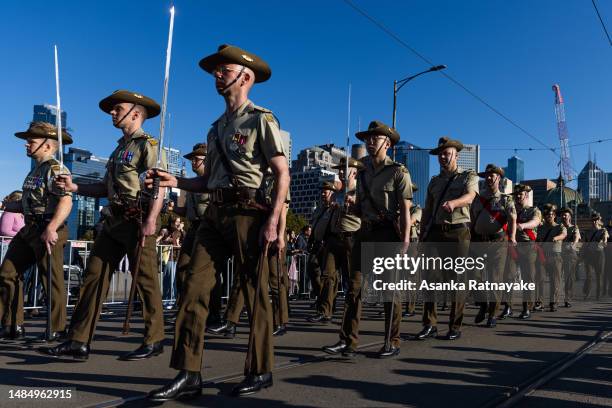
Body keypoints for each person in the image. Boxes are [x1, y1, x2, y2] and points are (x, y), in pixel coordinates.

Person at [146, 44, 289, 401]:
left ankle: (260, 370)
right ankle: (189, 372)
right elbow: (206, 181)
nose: (217, 75)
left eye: (224, 70)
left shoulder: (261, 120)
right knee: (193, 286)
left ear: (246, 77)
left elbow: (282, 173)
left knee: (256, 294)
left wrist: (274, 221)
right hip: (215, 214)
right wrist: (173, 181)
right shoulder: (214, 130)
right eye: (216, 71)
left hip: (248, 213)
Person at [39, 90, 167, 361]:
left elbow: (160, 185)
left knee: (145, 281)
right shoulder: (119, 149)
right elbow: (103, 188)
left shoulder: (149, 145)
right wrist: (75, 186)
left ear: (135, 112)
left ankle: (154, 338)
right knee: (93, 278)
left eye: (117, 108)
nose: (112, 112)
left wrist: (152, 220)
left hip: (137, 220)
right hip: (113, 221)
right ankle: (79, 340)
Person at [323, 120, 412, 359]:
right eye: (367, 139)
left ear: (388, 143)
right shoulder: (362, 171)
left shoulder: (398, 172)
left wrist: (405, 242)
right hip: (365, 231)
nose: (370, 142)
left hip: (387, 234)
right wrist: (350, 207)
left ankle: (392, 340)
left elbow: (405, 210)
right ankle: (347, 341)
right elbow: (361, 207)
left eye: (375, 138)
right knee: (354, 288)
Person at [0, 122, 73, 341]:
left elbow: (66, 201)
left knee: (50, 280)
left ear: (48, 146)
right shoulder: (36, 170)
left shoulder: (56, 169)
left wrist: (51, 228)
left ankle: (56, 329)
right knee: (7, 273)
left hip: (48, 228)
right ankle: (12, 325)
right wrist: (4, 205)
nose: (26, 144)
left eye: (31, 141)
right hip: (30, 228)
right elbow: (27, 204)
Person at [416, 136, 477, 341]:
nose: (443, 157)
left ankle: (454, 326)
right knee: (429, 279)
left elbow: (470, 196)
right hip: (434, 232)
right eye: (440, 154)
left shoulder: (468, 176)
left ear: (456, 155)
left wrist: (454, 203)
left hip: (457, 231)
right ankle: (429, 324)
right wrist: (422, 235)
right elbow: (427, 210)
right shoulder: (434, 182)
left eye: (447, 153)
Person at [309, 158, 363, 323]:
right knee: (328, 276)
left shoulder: (361, 192)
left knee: (351, 280)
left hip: (351, 237)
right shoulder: (337, 193)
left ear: (353, 172)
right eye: (339, 169)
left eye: (343, 169)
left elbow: (367, 213)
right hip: (334, 238)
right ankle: (325, 311)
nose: (340, 172)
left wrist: (355, 204)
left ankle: (350, 316)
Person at [470, 164, 516, 328]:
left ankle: (492, 314)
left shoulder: (506, 199)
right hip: (478, 242)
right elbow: (472, 218)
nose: (489, 178)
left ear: (499, 178)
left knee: (495, 278)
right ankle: (482, 304)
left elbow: (512, 217)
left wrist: (512, 236)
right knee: (473, 277)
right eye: (487, 175)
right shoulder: (478, 198)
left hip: (497, 243)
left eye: (492, 175)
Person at [510, 184, 541, 319]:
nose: (517, 197)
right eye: (515, 195)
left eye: (520, 194)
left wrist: (523, 225)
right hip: (512, 246)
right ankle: (507, 306)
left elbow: (535, 222)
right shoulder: (511, 210)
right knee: (509, 276)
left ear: (526, 195)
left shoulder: (534, 210)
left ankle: (526, 307)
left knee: (528, 277)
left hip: (528, 247)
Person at [536, 204, 566, 311]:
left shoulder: (559, 226)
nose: (549, 216)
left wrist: (556, 238)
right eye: (547, 214)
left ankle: (554, 303)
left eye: (551, 214)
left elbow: (563, 234)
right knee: (540, 279)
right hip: (542, 256)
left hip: (555, 256)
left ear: (554, 215)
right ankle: (539, 302)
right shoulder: (540, 228)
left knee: (555, 280)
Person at [582, 212, 608, 300]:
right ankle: (587, 293)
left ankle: (598, 295)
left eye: (595, 220)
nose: (593, 222)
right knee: (588, 275)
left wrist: (603, 241)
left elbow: (605, 240)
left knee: (599, 275)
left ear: (598, 220)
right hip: (589, 255)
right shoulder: (588, 232)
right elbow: (584, 244)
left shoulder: (603, 230)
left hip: (599, 254)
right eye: (592, 220)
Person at [559, 207, 580, 307]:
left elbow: (576, 238)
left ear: (570, 217)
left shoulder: (574, 228)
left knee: (569, 278)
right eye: (562, 215)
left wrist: (572, 245)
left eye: (566, 215)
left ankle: (567, 299)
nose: (564, 217)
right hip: (558, 254)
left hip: (570, 254)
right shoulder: (558, 228)